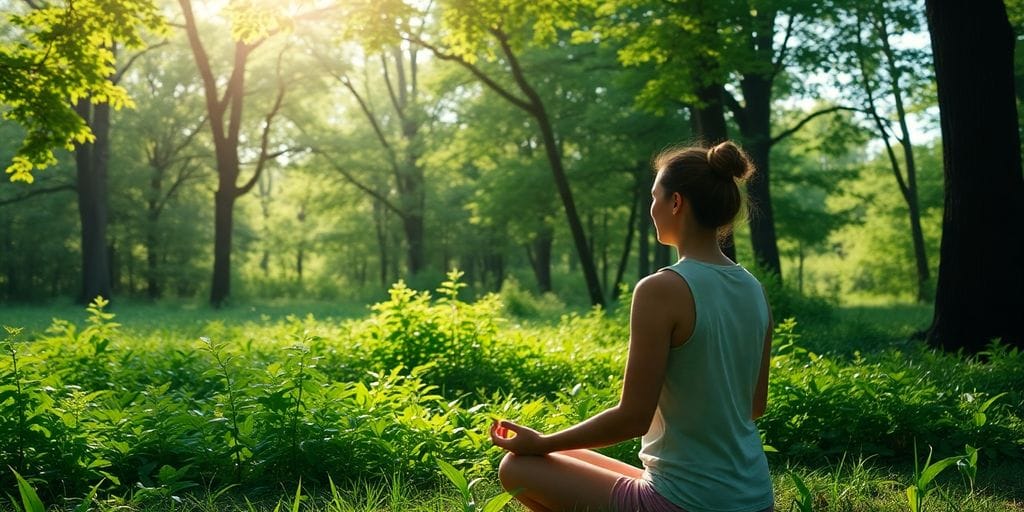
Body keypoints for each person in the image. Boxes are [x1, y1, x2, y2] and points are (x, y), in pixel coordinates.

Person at [490, 141, 775, 512]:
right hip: (754, 499)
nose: (651, 208)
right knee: (570, 454)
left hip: (689, 503)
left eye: (655, 197)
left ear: (676, 203)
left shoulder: (662, 288)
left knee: (518, 466)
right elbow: (755, 406)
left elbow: (632, 418)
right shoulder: (753, 289)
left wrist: (540, 443)